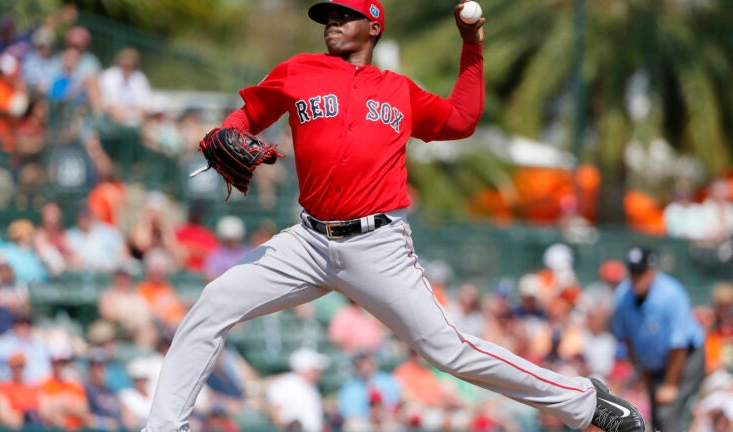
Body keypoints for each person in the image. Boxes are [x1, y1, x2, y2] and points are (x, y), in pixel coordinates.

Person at [143, 2, 645, 432]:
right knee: (213, 304)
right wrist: (231, 127)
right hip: (307, 242)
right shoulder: (299, 71)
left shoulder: (399, 90)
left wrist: (471, 48)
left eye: (344, 16)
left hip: (376, 244)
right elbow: (250, 114)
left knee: (447, 350)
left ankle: (585, 402)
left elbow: (461, 120)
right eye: (328, 17)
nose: (332, 23)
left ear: (374, 26)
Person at [611, 246, 706, 432]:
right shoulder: (623, 296)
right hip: (655, 365)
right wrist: (642, 371)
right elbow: (627, 339)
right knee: (656, 417)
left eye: (641, 273)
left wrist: (670, 385)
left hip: (686, 360)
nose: (636, 278)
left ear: (652, 271)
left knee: (666, 414)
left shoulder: (671, 294)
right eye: (633, 272)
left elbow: (678, 345)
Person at [265, 347, 329, 432]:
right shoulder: (284, 385)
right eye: (314, 369)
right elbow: (275, 412)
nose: (318, 373)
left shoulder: (311, 386)